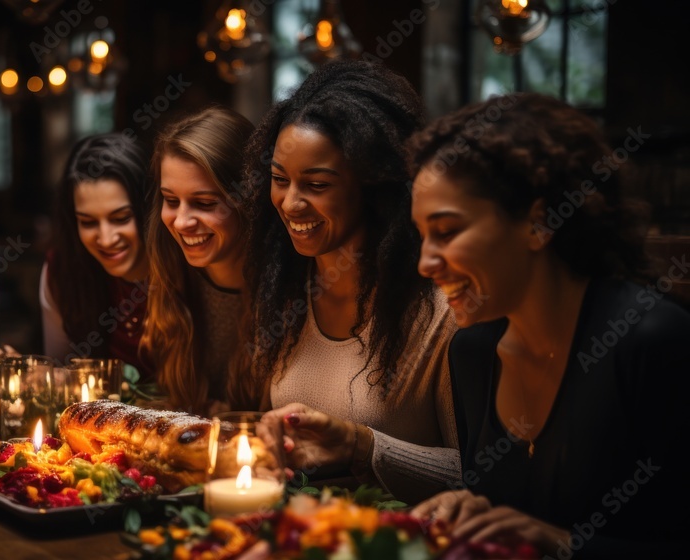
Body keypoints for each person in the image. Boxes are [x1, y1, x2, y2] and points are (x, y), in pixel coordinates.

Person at [408, 93, 688, 557]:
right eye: (421, 236)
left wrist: (560, 544)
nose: (424, 263)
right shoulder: (472, 353)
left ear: (539, 223)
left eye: (447, 231)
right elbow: (510, 514)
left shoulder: (651, 341)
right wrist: (471, 507)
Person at [246, 59, 460, 505]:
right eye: (279, 180)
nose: (290, 203)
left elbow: (482, 474)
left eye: (316, 184)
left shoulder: (440, 309)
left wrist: (364, 445)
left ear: (373, 186)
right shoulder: (283, 290)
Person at [141, 105, 256, 415]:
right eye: (171, 200)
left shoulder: (286, 293)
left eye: (204, 203)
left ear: (247, 201)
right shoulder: (171, 272)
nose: (181, 222)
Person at [39, 133, 154, 379]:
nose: (106, 238)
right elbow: (60, 372)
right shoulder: (62, 271)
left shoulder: (185, 264)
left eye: (121, 218)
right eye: (88, 222)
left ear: (147, 209)